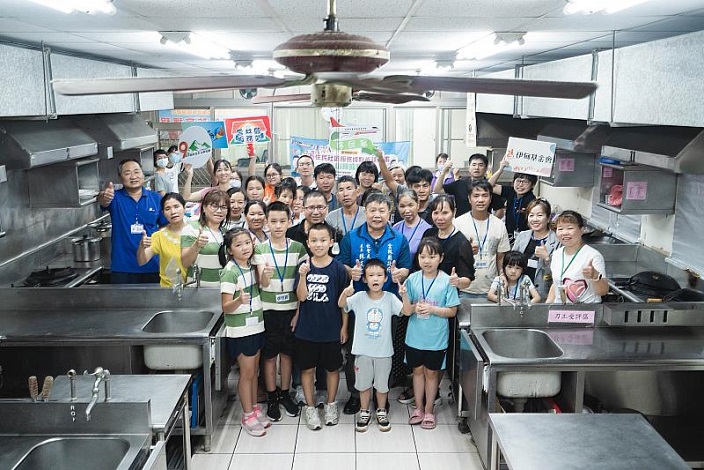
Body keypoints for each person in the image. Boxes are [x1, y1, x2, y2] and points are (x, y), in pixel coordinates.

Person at [337, 191, 411, 415]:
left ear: (390, 213)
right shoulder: (352, 237)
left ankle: (382, 395)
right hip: (359, 304)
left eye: (382, 210)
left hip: (388, 305)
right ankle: (355, 394)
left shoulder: (398, 239)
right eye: (372, 210)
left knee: (385, 353)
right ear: (365, 211)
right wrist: (352, 271)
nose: (377, 215)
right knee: (355, 352)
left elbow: (407, 266)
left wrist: (399, 273)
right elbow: (341, 264)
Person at [397, 194, 474, 406]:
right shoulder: (429, 233)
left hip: (443, 304)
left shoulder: (461, 242)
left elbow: (468, 278)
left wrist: (458, 282)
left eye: (445, 212)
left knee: (437, 358)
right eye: (436, 212)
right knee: (417, 357)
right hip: (419, 299)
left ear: (454, 213)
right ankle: (419, 394)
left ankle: (433, 395)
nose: (440, 217)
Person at [253, 202, 308, 422]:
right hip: (268, 310)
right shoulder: (260, 249)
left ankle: (285, 394)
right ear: (266, 222)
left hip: (291, 310)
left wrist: (298, 312)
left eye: (282, 221)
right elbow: (262, 283)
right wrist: (265, 273)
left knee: (287, 355)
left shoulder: (298, 248)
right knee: (269, 356)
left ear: (290, 221)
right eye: (273, 221)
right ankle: (272, 396)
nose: (277, 226)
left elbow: (302, 283)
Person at [399, 237, 460, 430]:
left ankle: (429, 410)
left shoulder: (446, 281)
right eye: (422, 256)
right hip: (414, 337)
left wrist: (433, 310)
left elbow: (452, 311)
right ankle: (418, 408)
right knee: (417, 372)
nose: (427, 261)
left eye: (432, 256)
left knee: (432, 374)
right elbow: (406, 312)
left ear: (440, 258)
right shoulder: (412, 279)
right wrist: (406, 299)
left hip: (436, 338)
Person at [338, 258, 403, 433]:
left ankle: (381, 411)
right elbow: (341, 305)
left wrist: (404, 294)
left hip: (384, 352)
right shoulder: (358, 297)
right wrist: (346, 293)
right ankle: (364, 411)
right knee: (364, 385)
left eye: (379, 275)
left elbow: (406, 311)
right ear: (364, 279)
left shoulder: (390, 298)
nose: (375, 278)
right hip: (362, 352)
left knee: (382, 385)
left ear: (385, 278)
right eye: (371, 275)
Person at [294, 223, 349, 430]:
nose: (318, 244)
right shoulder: (304, 265)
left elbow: (343, 302)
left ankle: (331, 405)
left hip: (331, 330)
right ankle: (310, 408)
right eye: (314, 241)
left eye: (323, 240)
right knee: (307, 370)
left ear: (331, 242)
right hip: (306, 330)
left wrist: (344, 327)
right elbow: (300, 297)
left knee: (332, 370)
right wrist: (302, 276)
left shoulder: (338, 269)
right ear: (307, 243)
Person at [220, 227, 269, 437]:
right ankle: (247, 414)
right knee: (246, 373)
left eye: (247, 243)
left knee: (254, 371)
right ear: (229, 250)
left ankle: (255, 408)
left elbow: (264, 284)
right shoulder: (230, 271)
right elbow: (225, 306)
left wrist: (263, 270)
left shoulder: (251, 266)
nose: (244, 248)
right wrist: (239, 300)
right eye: (238, 245)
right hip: (240, 330)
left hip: (256, 325)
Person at [97, 158, 163, 284]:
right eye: (127, 173)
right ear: (120, 177)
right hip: (123, 267)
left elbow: (165, 227)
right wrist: (104, 197)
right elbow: (103, 201)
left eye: (137, 172)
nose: (133, 176)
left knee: (153, 303)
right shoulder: (114, 198)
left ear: (143, 174)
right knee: (123, 303)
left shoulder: (156, 198)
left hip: (152, 265)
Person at [454, 181, 510, 298]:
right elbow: (450, 255)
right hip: (463, 289)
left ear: (490, 199)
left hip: (491, 289)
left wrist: (502, 275)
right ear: (469, 199)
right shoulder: (457, 223)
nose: (480, 200)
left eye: (485, 195)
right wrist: (466, 251)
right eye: (476, 196)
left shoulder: (499, 225)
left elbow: (500, 257)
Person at [546, 210, 608, 304]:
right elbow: (556, 284)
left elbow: (603, 291)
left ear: (582, 230)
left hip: (584, 313)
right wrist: (546, 307)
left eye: (570, 228)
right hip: (559, 312)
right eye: (560, 229)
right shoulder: (557, 254)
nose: (565, 233)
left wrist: (595, 275)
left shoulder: (593, 255)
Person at [137, 192, 187, 287]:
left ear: (184, 208)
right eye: (168, 209)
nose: (173, 212)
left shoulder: (195, 231)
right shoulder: (159, 236)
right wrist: (141, 247)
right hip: (169, 290)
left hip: (194, 287)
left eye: (176, 206)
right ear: (163, 213)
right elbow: (142, 261)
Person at [181, 190, 230, 288]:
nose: (219, 211)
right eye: (214, 206)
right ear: (204, 208)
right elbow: (185, 262)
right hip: (198, 289)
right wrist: (197, 245)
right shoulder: (191, 228)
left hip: (222, 289)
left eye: (224, 207)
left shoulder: (227, 233)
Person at [512, 198, 560, 299]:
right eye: (531, 215)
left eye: (539, 215)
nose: (535, 219)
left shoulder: (557, 241)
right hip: (520, 292)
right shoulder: (522, 236)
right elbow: (511, 262)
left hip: (544, 294)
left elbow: (560, 273)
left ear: (548, 218)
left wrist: (547, 259)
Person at [434, 153, 504, 217]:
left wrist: (489, 224)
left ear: (486, 169)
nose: (477, 168)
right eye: (474, 165)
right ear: (469, 168)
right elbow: (437, 190)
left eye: (480, 165)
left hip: (482, 227)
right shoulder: (460, 184)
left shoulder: (490, 186)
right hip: (461, 227)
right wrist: (444, 172)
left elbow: (500, 210)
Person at [488, 156, 538, 242]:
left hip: (526, 238)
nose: (520, 185)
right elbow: (488, 186)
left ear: (532, 185)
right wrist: (500, 170)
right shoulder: (510, 192)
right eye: (518, 181)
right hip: (508, 236)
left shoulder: (532, 201)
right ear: (513, 182)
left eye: (525, 182)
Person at [287, 190, 342, 257]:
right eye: (311, 208)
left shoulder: (336, 236)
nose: (316, 212)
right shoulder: (289, 234)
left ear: (327, 209)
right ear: (303, 209)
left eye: (320, 207)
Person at [393, 189, 431, 259]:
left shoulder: (427, 229)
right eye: (402, 206)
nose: (407, 210)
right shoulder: (395, 228)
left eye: (410, 205)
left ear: (418, 205)